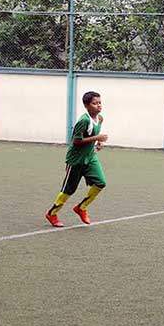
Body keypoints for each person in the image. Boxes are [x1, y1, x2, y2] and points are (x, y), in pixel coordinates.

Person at [45, 91, 108, 227]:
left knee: (101, 182)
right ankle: (52, 213)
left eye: (100, 103)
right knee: (69, 190)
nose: (98, 106)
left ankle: (81, 207)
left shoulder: (100, 118)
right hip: (76, 160)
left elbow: (94, 134)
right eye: (94, 103)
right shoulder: (83, 121)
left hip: (90, 157)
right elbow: (76, 141)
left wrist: (98, 143)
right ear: (86, 105)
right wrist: (97, 138)